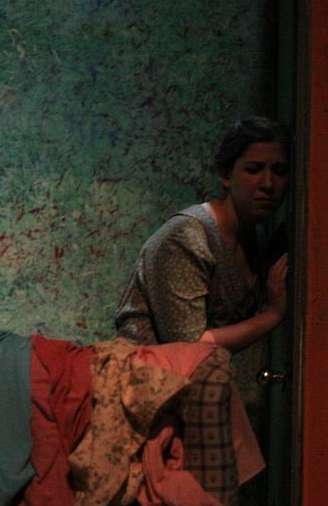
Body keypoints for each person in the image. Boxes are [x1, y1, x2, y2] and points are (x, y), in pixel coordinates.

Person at [115, 116, 290, 351]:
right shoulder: (187, 237)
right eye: (254, 169)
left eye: (279, 171)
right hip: (147, 370)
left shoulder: (256, 239)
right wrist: (271, 315)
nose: (268, 183)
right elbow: (188, 346)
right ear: (226, 174)